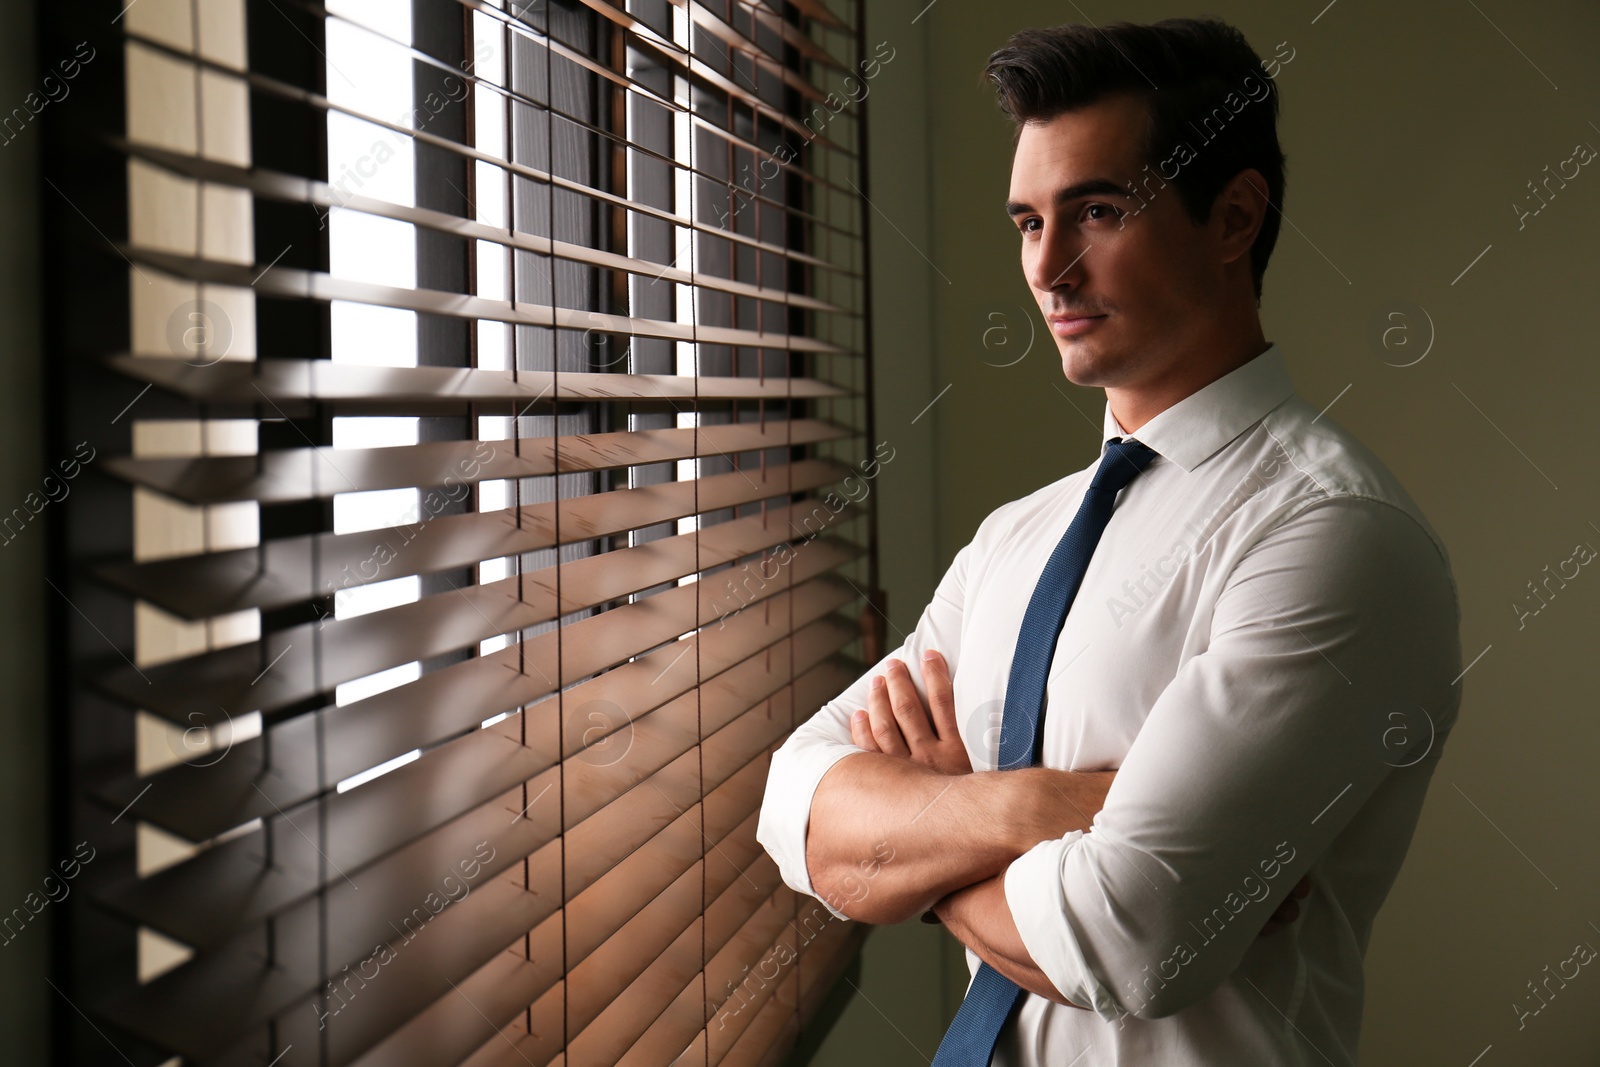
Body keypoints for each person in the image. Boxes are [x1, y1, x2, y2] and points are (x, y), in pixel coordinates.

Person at [755, 16, 1463, 1067]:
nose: (1049, 267)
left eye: (1095, 210)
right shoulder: (1011, 540)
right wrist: (1038, 808)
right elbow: (793, 807)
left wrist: (920, 835)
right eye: (1026, 221)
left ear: (1231, 219)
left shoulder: (1332, 536)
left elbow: (1133, 940)